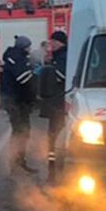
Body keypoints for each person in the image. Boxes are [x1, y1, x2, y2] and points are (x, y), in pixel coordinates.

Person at [0, 34, 37, 171]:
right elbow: (23, 78)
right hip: (15, 100)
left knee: (22, 131)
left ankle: (19, 160)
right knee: (20, 131)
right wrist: (35, 76)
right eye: (29, 47)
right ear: (24, 47)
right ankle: (15, 162)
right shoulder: (17, 58)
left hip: (18, 100)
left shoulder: (16, 57)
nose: (30, 49)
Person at [36, 30, 70, 170]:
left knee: (56, 134)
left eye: (53, 42)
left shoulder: (63, 57)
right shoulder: (59, 56)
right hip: (57, 102)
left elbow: (59, 76)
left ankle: (55, 168)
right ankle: (53, 165)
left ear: (59, 42)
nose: (51, 45)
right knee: (54, 134)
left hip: (59, 103)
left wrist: (48, 70)